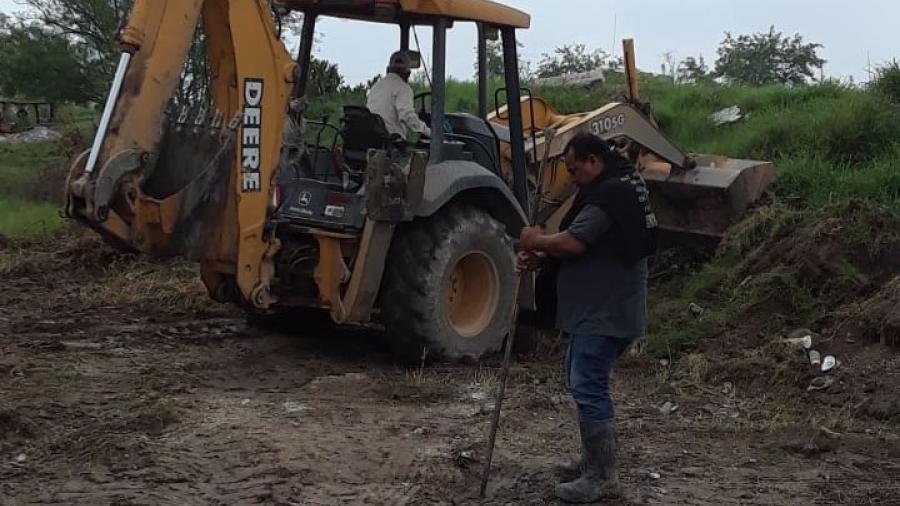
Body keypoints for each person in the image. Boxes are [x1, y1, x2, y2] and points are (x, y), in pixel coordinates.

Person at [517, 132, 657, 503]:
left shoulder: (610, 195)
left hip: (605, 311)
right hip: (596, 309)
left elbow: (576, 241)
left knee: (588, 384)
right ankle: (591, 462)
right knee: (582, 383)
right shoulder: (616, 187)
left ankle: (602, 476)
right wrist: (544, 256)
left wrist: (536, 241)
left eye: (575, 169)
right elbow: (586, 246)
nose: (572, 177)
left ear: (595, 161)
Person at [366, 51, 431, 139]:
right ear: (408, 74)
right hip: (390, 141)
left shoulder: (376, 87)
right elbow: (407, 116)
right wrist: (428, 132)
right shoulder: (403, 88)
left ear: (388, 70)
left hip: (371, 136)